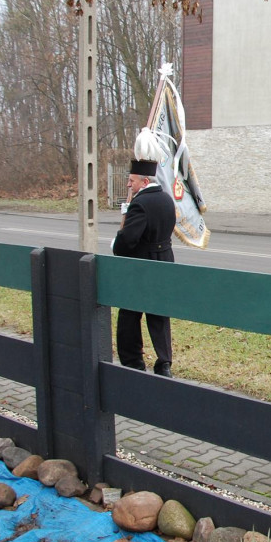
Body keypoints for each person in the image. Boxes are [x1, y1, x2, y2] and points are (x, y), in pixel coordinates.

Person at [112, 128, 176, 377]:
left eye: (132, 180)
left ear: (145, 181)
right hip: (165, 263)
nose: (129, 183)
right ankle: (164, 361)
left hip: (141, 266)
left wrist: (120, 234)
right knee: (159, 313)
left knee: (129, 313)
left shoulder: (140, 203)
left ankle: (132, 362)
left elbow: (127, 241)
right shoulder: (167, 200)